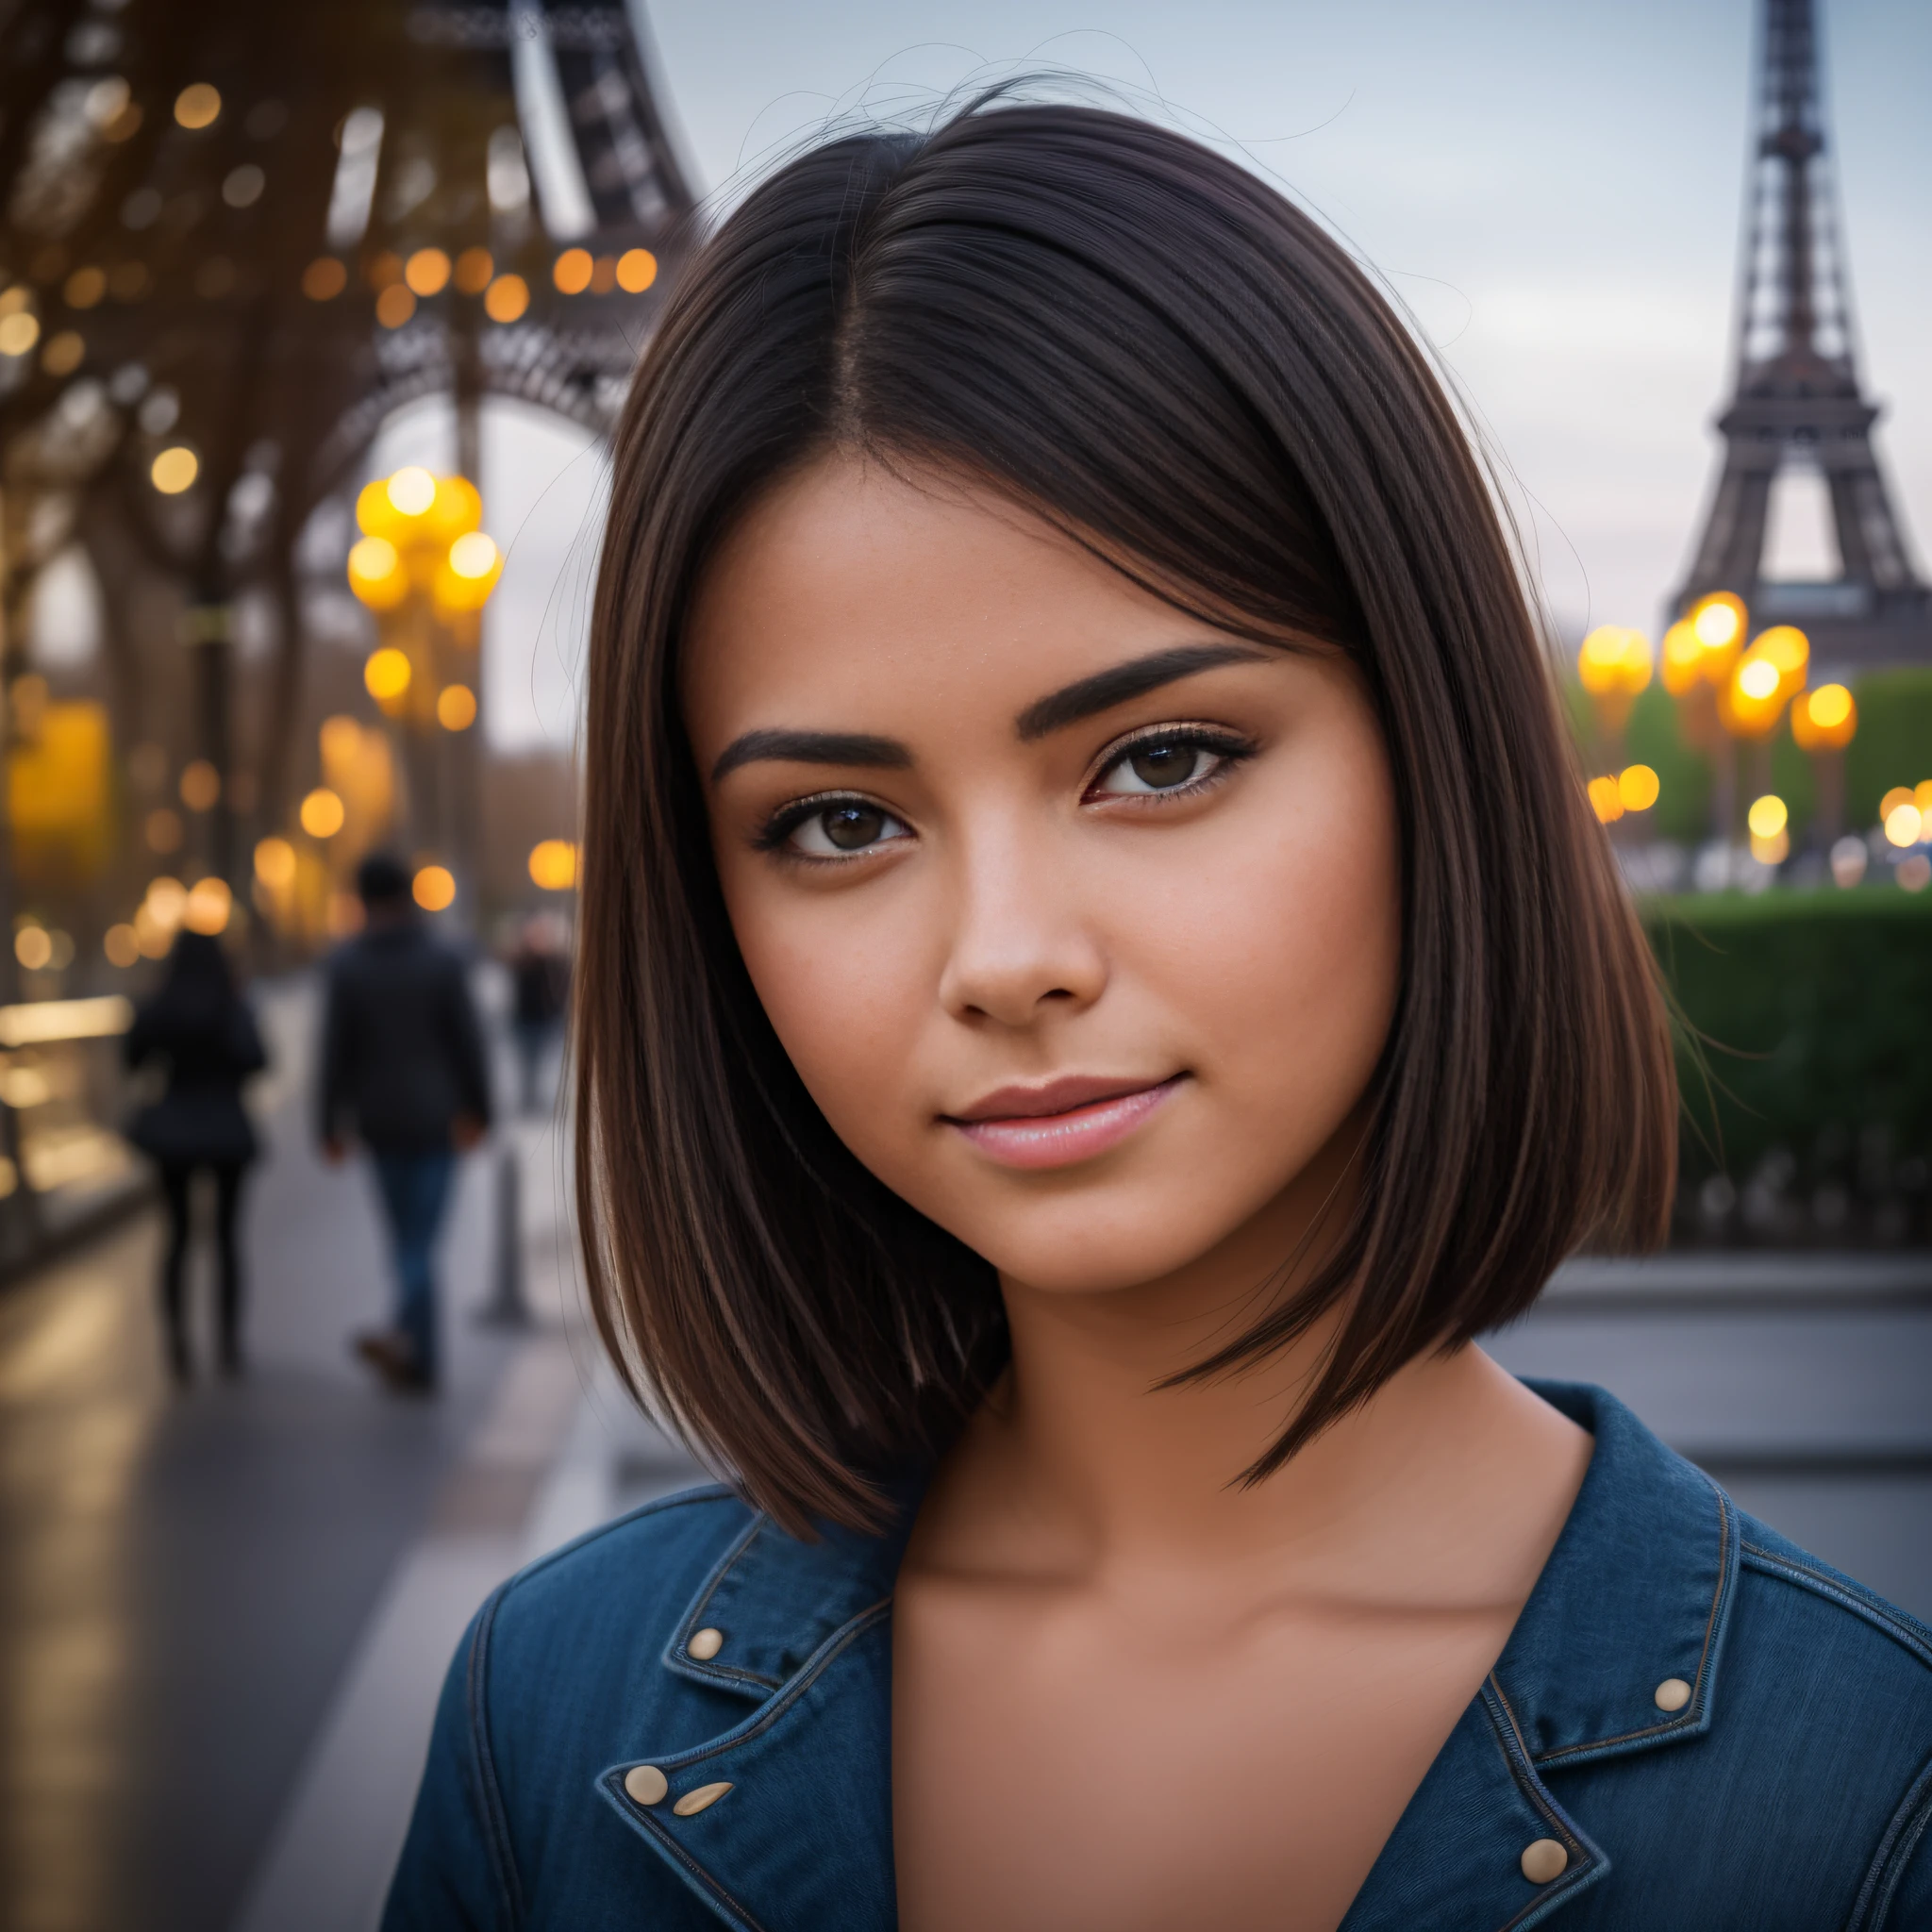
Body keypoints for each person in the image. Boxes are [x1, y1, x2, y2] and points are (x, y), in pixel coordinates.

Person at [385, 105, 1932, 1928]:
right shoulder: (543, 1713)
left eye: (1161, 757)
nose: (1005, 954)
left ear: (1435, 755)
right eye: (838, 822)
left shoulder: (1865, 1806)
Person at [319, 852, 491, 1393]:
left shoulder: (348, 964)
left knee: (406, 1242)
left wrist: (329, 1125)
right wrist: (480, 1110)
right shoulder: (441, 958)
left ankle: (410, 1349)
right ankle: (418, 1356)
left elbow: (334, 1052)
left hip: (379, 1122)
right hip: (437, 1119)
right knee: (420, 1242)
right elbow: (468, 1040)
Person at [124, 926, 267, 1381]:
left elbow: (131, 1059)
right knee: (226, 1239)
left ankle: (178, 1343)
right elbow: (257, 1060)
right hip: (227, 1129)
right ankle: (228, 1343)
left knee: (177, 1238)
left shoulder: (160, 1004)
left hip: (174, 1133)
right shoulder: (232, 1003)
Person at [507, 912, 571, 1114]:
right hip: (525, 1019)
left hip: (548, 1019)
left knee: (545, 1062)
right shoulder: (522, 960)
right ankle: (528, 1098)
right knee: (526, 1063)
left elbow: (562, 988)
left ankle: (539, 1099)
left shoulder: (556, 961)